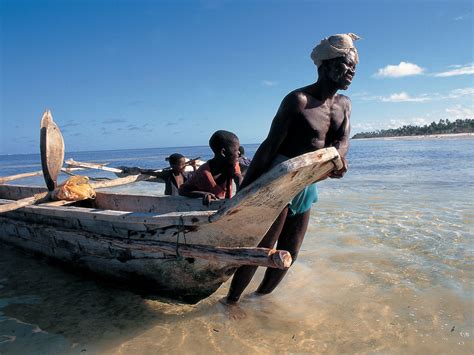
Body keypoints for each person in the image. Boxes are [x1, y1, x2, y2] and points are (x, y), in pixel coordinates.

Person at [222, 33, 360, 309]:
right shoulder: (298, 101)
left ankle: (259, 299)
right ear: (325, 65)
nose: (352, 72)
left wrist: (338, 159)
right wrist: (244, 190)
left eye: (355, 67)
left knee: (290, 251)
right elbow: (269, 146)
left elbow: (342, 141)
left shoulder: (343, 104)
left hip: (307, 182)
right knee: (263, 249)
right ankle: (232, 302)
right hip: (280, 179)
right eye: (346, 65)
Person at [179, 130, 243, 205]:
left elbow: (238, 177)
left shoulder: (233, 165)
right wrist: (203, 194)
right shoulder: (203, 173)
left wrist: (240, 186)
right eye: (236, 150)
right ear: (223, 152)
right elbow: (182, 190)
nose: (239, 153)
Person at [120, 153, 196, 196]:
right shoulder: (167, 174)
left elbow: (196, 177)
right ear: (172, 165)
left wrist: (194, 166)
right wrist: (132, 170)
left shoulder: (185, 175)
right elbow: (151, 172)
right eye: (181, 164)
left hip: (182, 200)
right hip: (170, 201)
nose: (185, 166)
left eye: (185, 163)